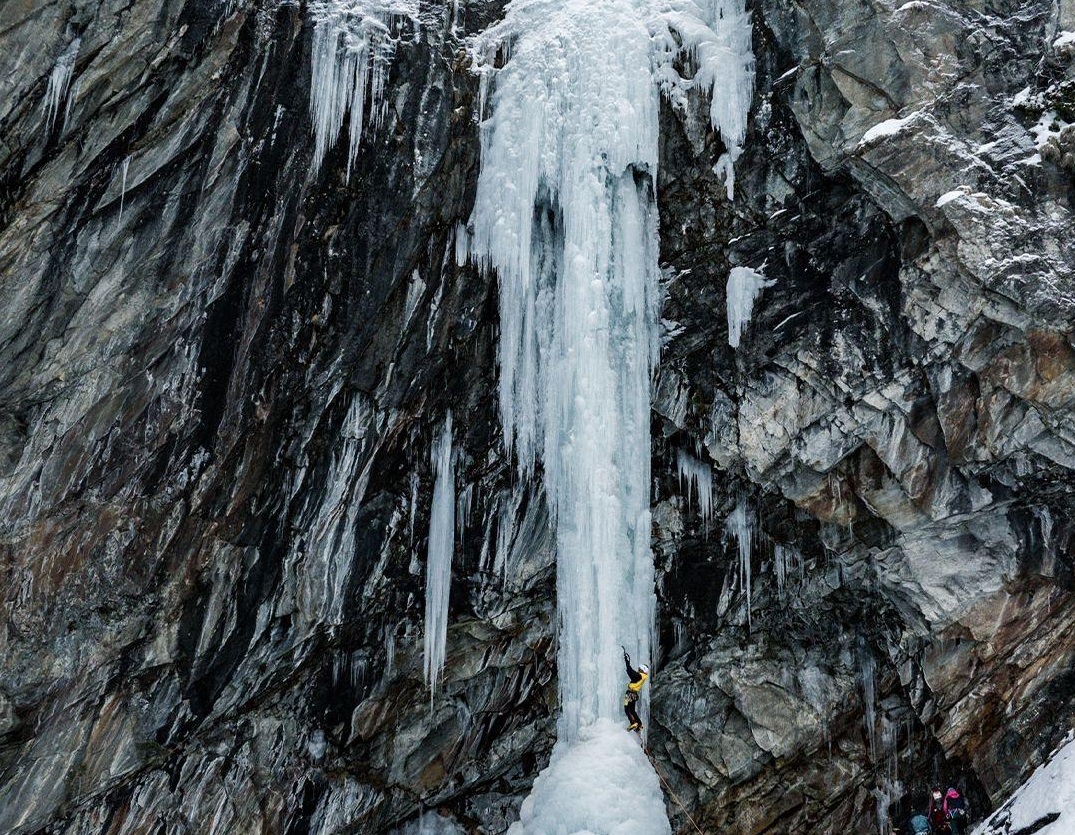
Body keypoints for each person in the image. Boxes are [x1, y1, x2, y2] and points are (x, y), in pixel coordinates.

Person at [622, 649, 650, 731]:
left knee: (627, 709)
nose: (638, 670)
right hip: (634, 694)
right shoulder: (642, 677)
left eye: (640, 669)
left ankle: (633, 723)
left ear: (642, 670)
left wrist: (627, 663)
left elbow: (631, 673)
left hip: (630, 694)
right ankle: (639, 724)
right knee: (632, 710)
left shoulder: (640, 676)